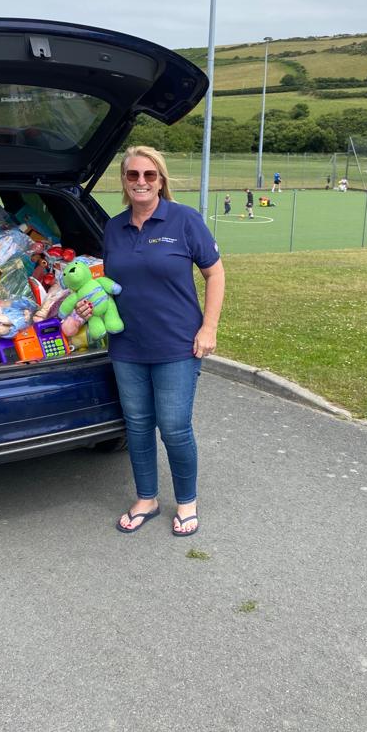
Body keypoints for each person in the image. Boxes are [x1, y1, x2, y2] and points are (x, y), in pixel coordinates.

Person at [79, 146, 225, 538]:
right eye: (133, 175)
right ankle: (147, 498)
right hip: (127, 346)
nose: (141, 182)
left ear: (161, 179)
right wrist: (89, 305)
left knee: (174, 427)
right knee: (138, 426)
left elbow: (215, 275)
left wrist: (207, 328)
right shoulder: (113, 227)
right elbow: (110, 284)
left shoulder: (184, 220)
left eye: (149, 175)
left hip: (178, 344)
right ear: (124, 182)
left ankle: (187, 501)